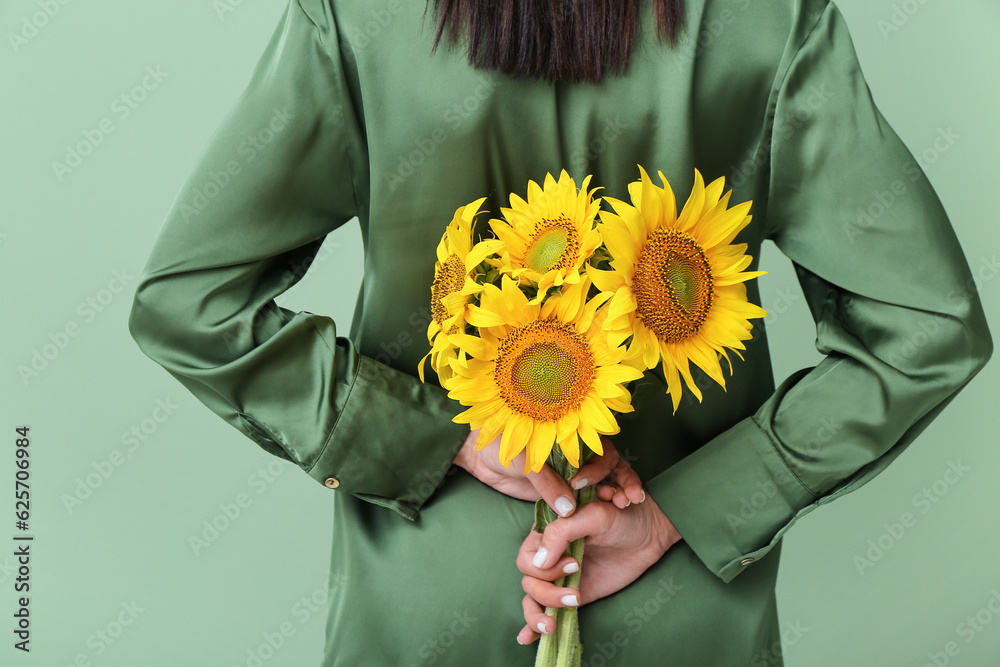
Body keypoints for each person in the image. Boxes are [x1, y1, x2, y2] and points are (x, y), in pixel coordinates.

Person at [126, 0, 993, 664]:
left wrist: (442, 436)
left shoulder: (360, 17)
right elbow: (928, 325)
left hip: (420, 613)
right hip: (684, 614)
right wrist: (677, 514)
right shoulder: (767, 20)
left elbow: (189, 298)